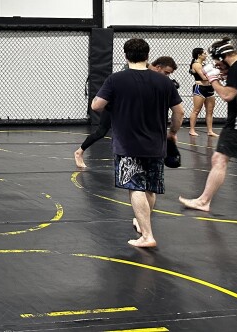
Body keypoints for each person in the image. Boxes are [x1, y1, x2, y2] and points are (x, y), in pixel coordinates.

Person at [91, 39, 184, 248]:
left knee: (135, 188)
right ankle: (143, 224)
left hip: (128, 144)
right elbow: (179, 112)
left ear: (125, 56)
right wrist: (172, 133)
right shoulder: (164, 82)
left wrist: (115, 104)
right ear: (147, 55)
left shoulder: (116, 80)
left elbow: (96, 105)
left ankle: (147, 235)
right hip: (156, 143)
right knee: (149, 188)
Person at [180, 38, 237, 213]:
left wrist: (214, 80)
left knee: (219, 159)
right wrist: (226, 77)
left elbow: (228, 95)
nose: (216, 65)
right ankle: (203, 201)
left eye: (217, 61)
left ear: (223, 56)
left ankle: (203, 201)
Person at [74, 56, 178, 169]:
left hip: (133, 109)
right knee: (101, 132)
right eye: (166, 73)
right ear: (158, 67)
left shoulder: (154, 78)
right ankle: (79, 152)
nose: (166, 76)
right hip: (116, 106)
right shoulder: (137, 69)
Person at [188, 47, 218, 138]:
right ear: (199, 55)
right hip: (200, 88)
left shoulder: (204, 64)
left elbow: (208, 76)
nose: (206, 55)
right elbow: (204, 77)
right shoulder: (196, 65)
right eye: (204, 53)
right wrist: (215, 74)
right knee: (196, 110)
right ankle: (192, 130)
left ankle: (210, 131)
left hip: (209, 88)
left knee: (210, 111)